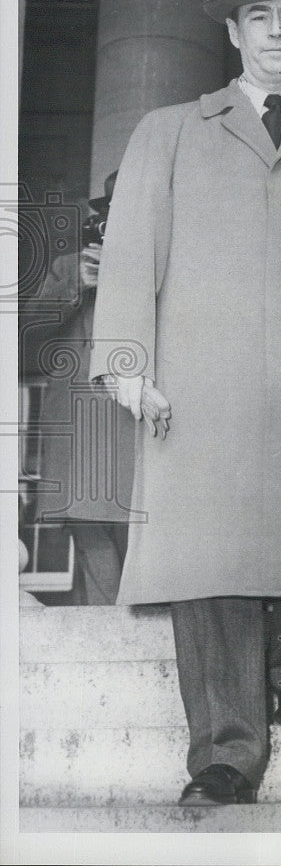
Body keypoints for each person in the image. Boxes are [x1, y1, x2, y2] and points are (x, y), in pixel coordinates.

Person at [90, 0, 281, 805]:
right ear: (232, 30)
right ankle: (224, 753)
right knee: (210, 563)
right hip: (200, 380)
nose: (279, 29)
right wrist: (128, 366)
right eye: (262, 15)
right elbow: (134, 251)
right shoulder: (170, 129)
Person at [30, 172, 131, 604]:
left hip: (132, 422)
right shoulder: (70, 266)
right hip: (78, 427)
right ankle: (111, 635)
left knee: (137, 533)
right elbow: (27, 335)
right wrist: (77, 286)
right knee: (89, 531)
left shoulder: (168, 267)